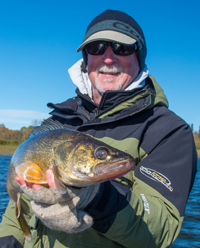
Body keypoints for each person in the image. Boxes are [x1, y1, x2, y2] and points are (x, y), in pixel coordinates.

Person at [0, 9, 197, 248]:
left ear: (139, 57)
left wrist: (95, 197)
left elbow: (161, 229)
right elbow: (17, 210)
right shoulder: (58, 122)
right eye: (97, 47)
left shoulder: (168, 131)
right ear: (85, 59)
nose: (108, 58)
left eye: (122, 48)